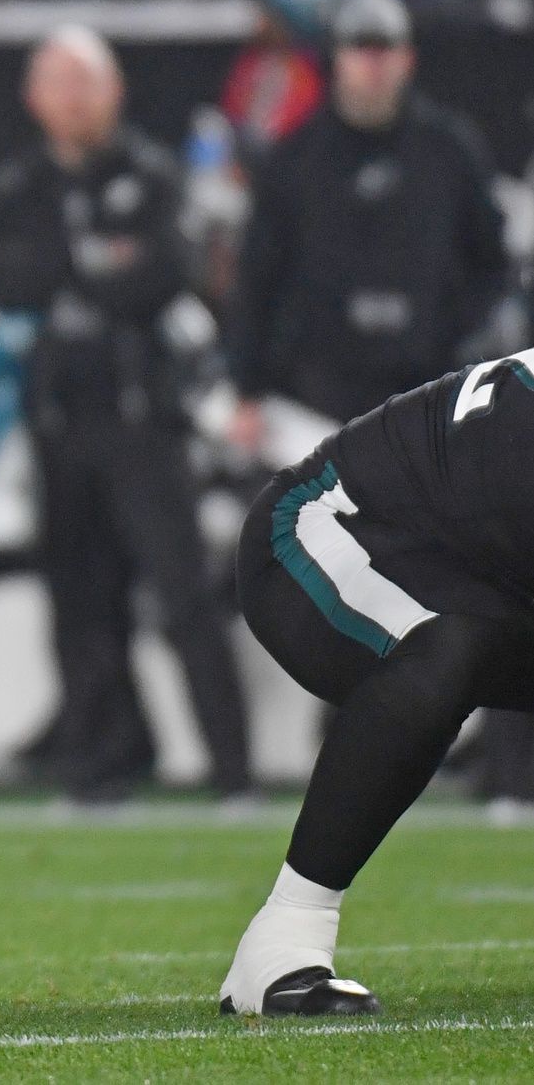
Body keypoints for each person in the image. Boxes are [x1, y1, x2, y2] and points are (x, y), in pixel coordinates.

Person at [0, 26, 252, 802]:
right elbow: (0, 280)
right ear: (32, 97)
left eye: (85, 81)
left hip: (144, 419)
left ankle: (232, 771)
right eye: (58, 82)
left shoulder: (154, 178)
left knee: (184, 594)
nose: (73, 98)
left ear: (115, 88)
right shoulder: (15, 188)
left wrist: (70, 277)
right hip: (58, 422)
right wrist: (92, 268)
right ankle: (99, 767)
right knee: (78, 600)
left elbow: (168, 273)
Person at [220, 344, 534, 1016]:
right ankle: (284, 940)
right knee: (448, 646)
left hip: (471, 568)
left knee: (461, 635)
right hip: (317, 529)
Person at [226, 0, 510, 450]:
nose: (373, 63)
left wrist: (471, 347)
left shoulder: (450, 151)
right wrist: (247, 388)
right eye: (361, 47)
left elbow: (492, 263)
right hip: (318, 392)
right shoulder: (295, 158)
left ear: (408, 58)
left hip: (431, 387)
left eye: (385, 48)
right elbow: (259, 275)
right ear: (337, 57)